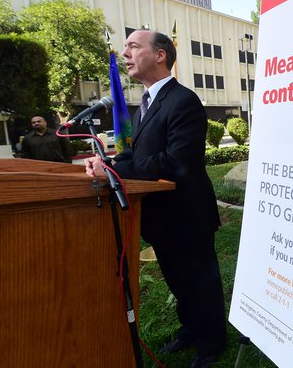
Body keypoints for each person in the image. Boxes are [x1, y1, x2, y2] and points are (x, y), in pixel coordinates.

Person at [85, 29, 226, 368]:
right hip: (159, 216)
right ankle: (191, 328)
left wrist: (116, 173)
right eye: (125, 48)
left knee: (199, 281)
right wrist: (111, 165)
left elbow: (177, 162)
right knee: (177, 280)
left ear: (160, 54)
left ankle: (212, 344)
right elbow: (137, 157)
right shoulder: (143, 104)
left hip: (188, 215)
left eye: (134, 46)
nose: (125, 54)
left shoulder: (184, 101)